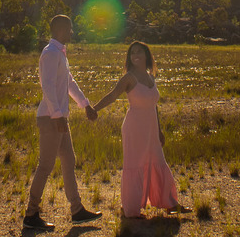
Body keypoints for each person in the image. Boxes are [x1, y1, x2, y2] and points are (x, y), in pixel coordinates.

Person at [91, 41, 192, 218]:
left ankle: (169, 203)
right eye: (132, 53)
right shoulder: (129, 78)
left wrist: (159, 130)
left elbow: (154, 106)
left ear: (147, 55)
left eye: (139, 52)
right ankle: (131, 209)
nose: (135, 55)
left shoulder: (150, 77)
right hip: (134, 127)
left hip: (151, 128)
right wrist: (94, 109)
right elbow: (113, 95)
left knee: (158, 161)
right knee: (135, 165)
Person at [22, 14, 103, 231]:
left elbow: (69, 83)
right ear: (59, 30)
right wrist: (57, 116)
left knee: (69, 159)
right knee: (46, 166)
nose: (72, 32)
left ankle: (77, 211)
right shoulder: (50, 53)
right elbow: (47, 86)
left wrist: (85, 104)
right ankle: (31, 215)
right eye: (69, 29)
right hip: (51, 117)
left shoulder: (60, 54)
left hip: (58, 117)